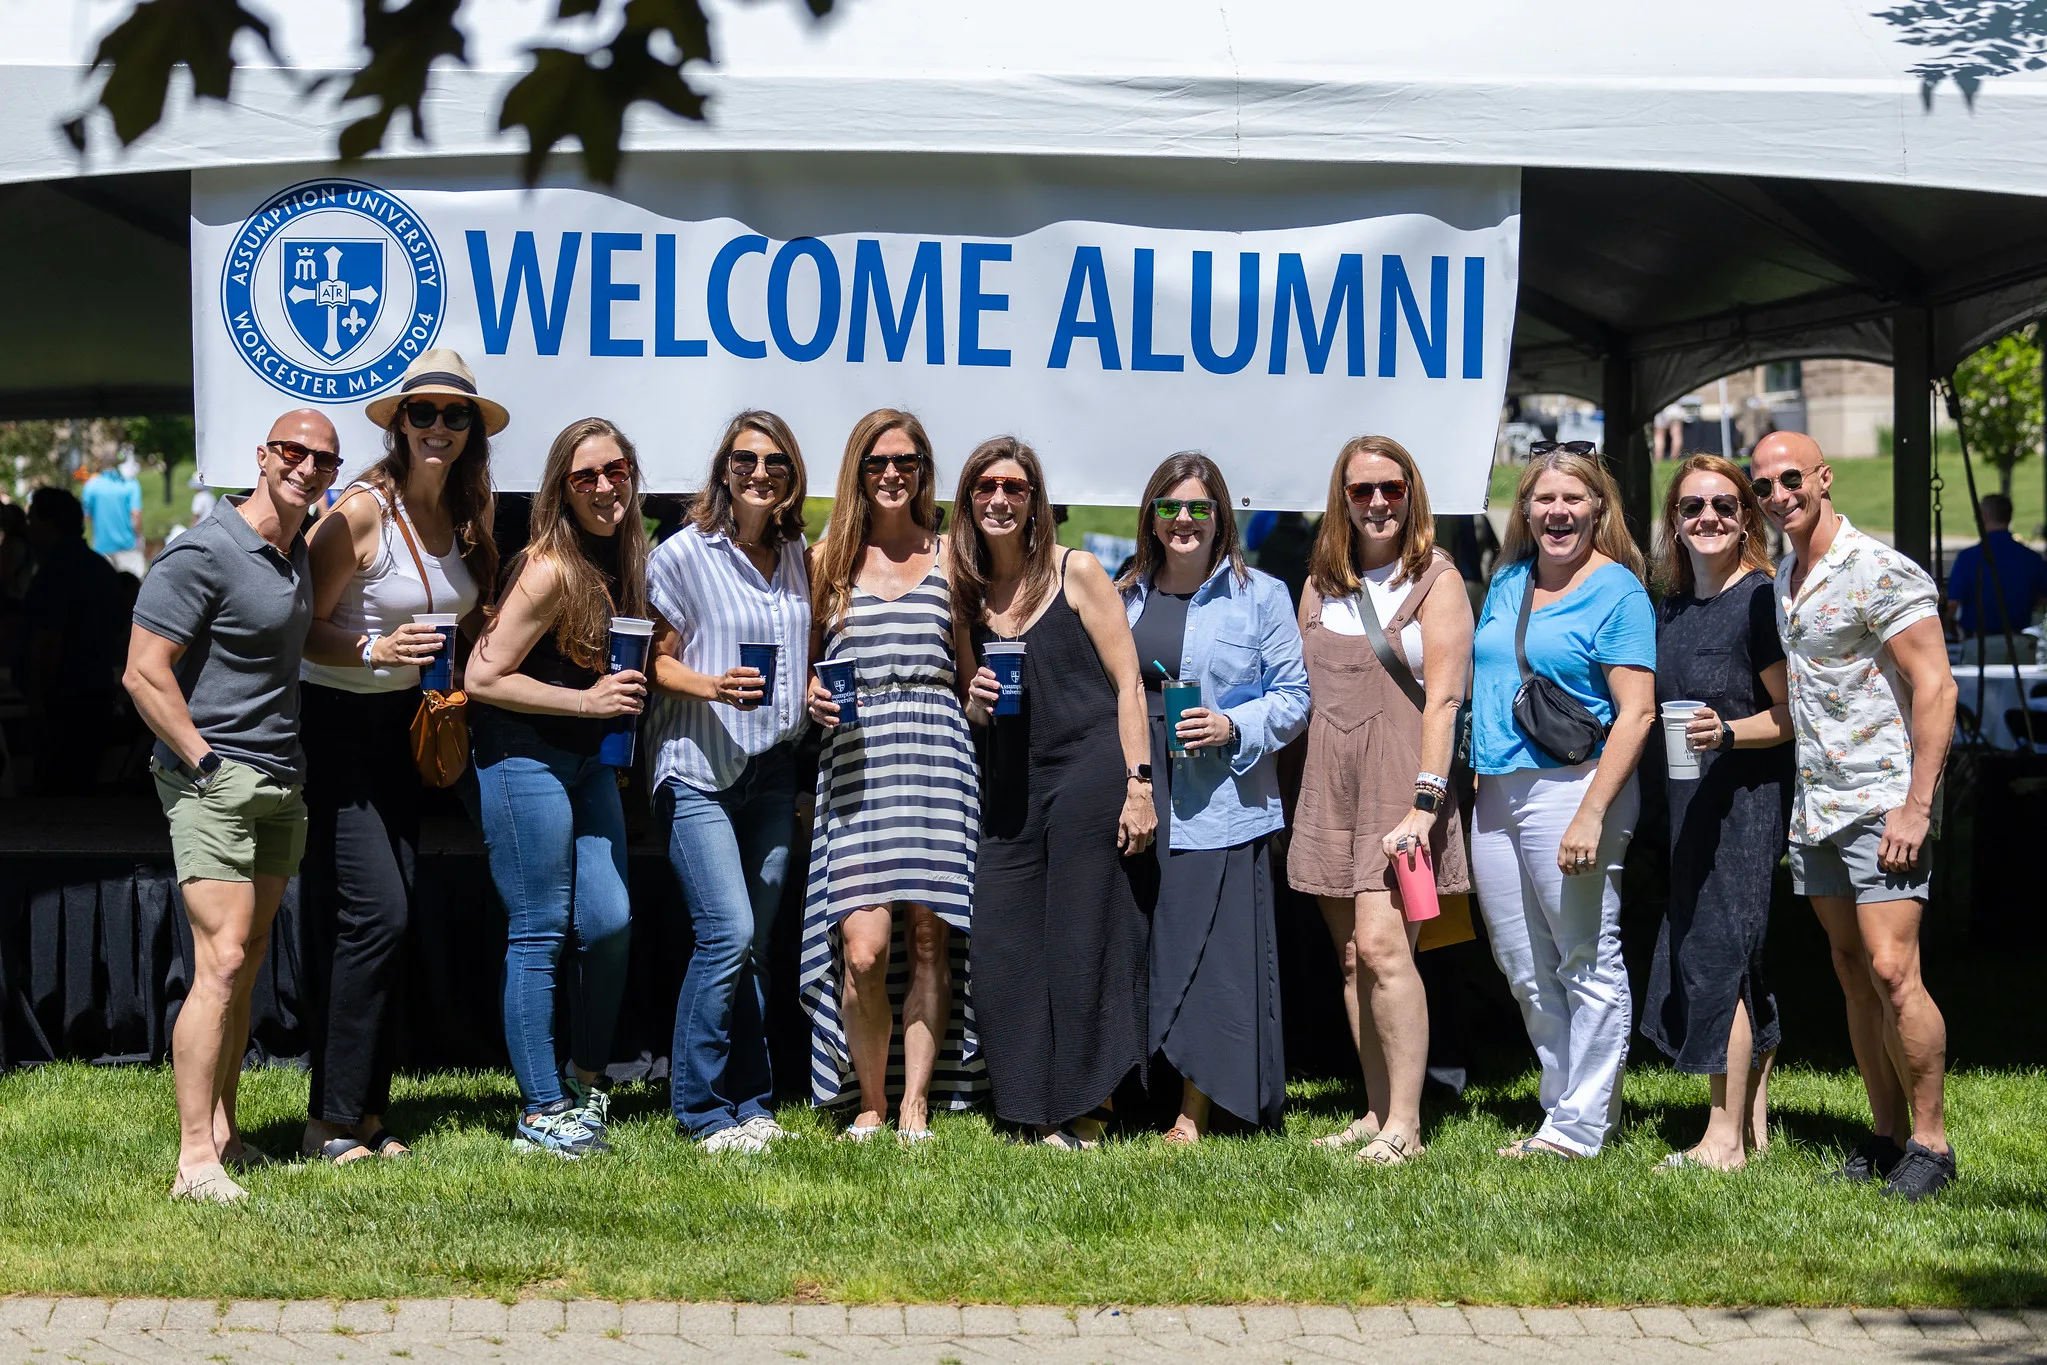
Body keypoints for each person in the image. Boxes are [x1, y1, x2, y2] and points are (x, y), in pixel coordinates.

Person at [121, 409, 340, 1201]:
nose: (306, 466)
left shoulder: (293, 555)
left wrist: (379, 649)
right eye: (292, 450)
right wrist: (205, 761)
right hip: (212, 779)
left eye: (322, 458)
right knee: (217, 961)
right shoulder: (204, 549)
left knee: (243, 965)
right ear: (261, 456)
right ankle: (192, 1161)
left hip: (283, 779)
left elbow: (297, 640)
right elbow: (144, 671)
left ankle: (224, 1131)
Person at [296, 350, 504, 1164]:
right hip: (338, 726)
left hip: (408, 735)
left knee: (396, 914)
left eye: (457, 417)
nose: (440, 429)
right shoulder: (359, 512)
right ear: (399, 422)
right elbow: (296, 628)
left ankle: (366, 1114)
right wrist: (376, 643)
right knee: (372, 916)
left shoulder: (464, 514)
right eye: (424, 414)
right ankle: (329, 1121)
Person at [1750, 431, 1959, 1199]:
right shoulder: (1783, 575)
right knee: (1849, 971)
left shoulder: (1876, 568)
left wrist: (1916, 805)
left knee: (1891, 968)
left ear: (1823, 477)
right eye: (1764, 485)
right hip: (1817, 802)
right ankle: (1885, 1135)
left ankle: (1932, 1145)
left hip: (1882, 799)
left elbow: (1935, 687)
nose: (1778, 495)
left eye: (1790, 478)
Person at [954, 437, 1156, 1148]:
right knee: (1002, 940)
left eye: (1014, 486)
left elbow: (1129, 682)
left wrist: (1138, 785)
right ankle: (1028, 1103)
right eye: (986, 486)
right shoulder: (963, 592)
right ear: (968, 498)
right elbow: (964, 704)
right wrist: (974, 702)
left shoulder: (1077, 572)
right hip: (1007, 781)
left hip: (1089, 767)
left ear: (1036, 499)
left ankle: (1088, 1106)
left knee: (1084, 937)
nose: (1000, 499)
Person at [465, 417, 648, 1159]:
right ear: (561, 490)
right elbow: (481, 676)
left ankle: (584, 1076)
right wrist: (585, 703)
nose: (604, 488)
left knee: (608, 922)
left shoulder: (625, 557)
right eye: (586, 477)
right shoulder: (547, 567)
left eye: (615, 471)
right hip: (521, 757)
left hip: (586, 760)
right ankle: (542, 1109)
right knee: (539, 928)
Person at [1468, 441, 1656, 1160]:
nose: (1557, 512)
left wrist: (1590, 812)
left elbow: (1635, 713)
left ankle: (1580, 1128)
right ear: (1524, 510)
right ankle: (1563, 1106)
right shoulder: (1507, 580)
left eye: (1572, 499)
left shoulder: (1617, 591)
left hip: (1574, 787)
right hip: (1497, 791)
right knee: (1521, 961)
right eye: (1543, 499)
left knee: (1584, 955)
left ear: (1597, 507)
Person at [799, 410, 982, 1140]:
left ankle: (913, 1104)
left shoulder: (949, 557)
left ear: (922, 469)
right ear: (857, 471)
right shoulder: (826, 560)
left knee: (931, 941)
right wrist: (812, 698)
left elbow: (969, 679)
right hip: (855, 764)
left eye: (905, 461)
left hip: (938, 756)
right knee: (864, 949)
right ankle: (869, 1099)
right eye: (876, 462)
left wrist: (984, 697)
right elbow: (808, 674)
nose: (891, 474)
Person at [1290, 436, 1473, 1166]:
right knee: (1348, 957)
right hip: (1328, 783)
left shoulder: (1436, 579)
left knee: (1384, 947)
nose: (1377, 503)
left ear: (1411, 494)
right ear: (1341, 499)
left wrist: (1425, 804)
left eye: (1391, 489)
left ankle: (1407, 1123)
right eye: (1362, 490)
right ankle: (1373, 1110)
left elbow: (1446, 700)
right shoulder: (1318, 583)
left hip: (1404, 782)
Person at [1115, 453, 1308, 1142]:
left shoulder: (1263, 595)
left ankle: (1192, 1112)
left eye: (1198, 507)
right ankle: (1133, 1094)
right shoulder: (1126, 592)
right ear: (1152, 517)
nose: (1184, 520)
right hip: (1140, 792)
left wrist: (1233, 724)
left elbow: (1294, 700)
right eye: (1170, 507)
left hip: (1221, 797)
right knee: (1145, 945)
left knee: (1207, 952)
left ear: (1220, 514)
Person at [646, 411, 812, 1153]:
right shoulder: (683, 554)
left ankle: (752, 1102)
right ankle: (701, 1108)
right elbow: (652, 661)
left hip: (774, 767)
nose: (760, 473)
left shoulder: (802, 553)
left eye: (775, 461)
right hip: (696, 762)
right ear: (723, 469)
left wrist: (814, 694)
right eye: (745, 460)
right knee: (727, 931)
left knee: (757, 944)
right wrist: (712, 686)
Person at [1644, 455, 1793, 1171]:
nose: (1707, 517)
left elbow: (1791, 715)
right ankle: (1751, 1125)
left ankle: (1720, 1139)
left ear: (1745, 520)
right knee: (1733, 959)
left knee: (1716, 958)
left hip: (1742, 801)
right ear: (1673, 521)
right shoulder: (1669, 607)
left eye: (1724, 506)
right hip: (1685, 802)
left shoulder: (1759, 600)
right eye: (1692, 506)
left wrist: (1728, 732)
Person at [16, 488, 127, 796]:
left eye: (32, 519)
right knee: (85, 788)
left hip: (61, 700)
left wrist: (37, 697)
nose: (27, 527)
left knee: (56, 792)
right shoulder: (100, 567)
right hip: (97, 691)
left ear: (48, 523)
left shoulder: (55, 571)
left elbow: (47, 640)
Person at [1944, 492, 2047, 663]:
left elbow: (1952, 605)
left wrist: (1948, 625)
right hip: (2020, 646)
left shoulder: (1969, 558)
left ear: (1983, 517)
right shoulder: (2031, 558)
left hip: (1979, 646)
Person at [82, 450, 146, 578]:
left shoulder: (91, 486)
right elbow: (136, 515)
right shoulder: (131, 484)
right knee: (134, 587)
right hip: (127, 544)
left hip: (102, 546)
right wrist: (139, 536)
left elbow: (86, 515)